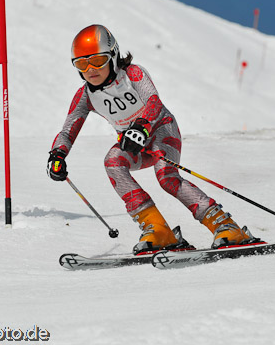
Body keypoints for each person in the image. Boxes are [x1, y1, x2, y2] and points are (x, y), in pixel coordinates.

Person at [47, 24, 256, 254]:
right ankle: (158, 230)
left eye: (97, 61)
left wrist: (142, 127)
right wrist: (58, 154)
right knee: (113, 161)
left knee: (166, 177)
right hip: (135, 143)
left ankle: (225, 226)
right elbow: (68, 130)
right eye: (81, 64)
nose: (90, 70)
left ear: (114, 56)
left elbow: (154, 102)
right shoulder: (85, 96)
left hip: (162, 131)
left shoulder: (133, 74)